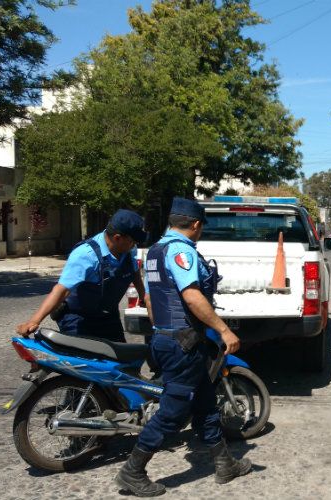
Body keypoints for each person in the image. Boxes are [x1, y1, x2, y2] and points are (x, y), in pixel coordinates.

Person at [115, 197, 250, 497]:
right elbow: (191, 296)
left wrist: (163, 331)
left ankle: (225, 463)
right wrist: (224, 330)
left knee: (204, 401)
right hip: (183, 342)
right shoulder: (180, 251)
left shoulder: (155, 251)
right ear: (196, 224)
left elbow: (151, 299)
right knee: (173, 412)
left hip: (169, 338)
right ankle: (132, 471)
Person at [16, 209, 148, 342]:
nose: (134, 245)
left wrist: (143, 297)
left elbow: (133, 271)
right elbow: (62, 290)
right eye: (133, 241)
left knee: (121, 358)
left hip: (108, 316)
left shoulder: (127, 250)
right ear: (117, 238)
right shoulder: (85, 255)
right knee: (84, 360)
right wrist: (34, 321)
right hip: (78, 318)